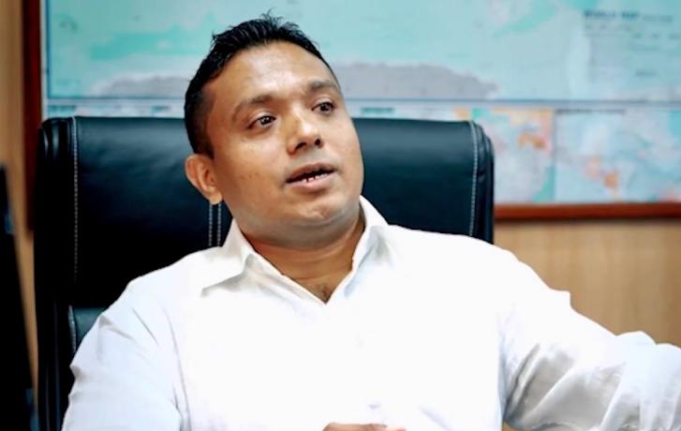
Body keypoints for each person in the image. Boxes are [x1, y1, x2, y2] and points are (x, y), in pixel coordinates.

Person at [62, 14, 681, 431]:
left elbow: (633, 393)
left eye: (324, 105)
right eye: (263, 121)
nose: (307, 132)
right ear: (208, 177)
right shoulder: (150, 319)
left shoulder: (476, 279)